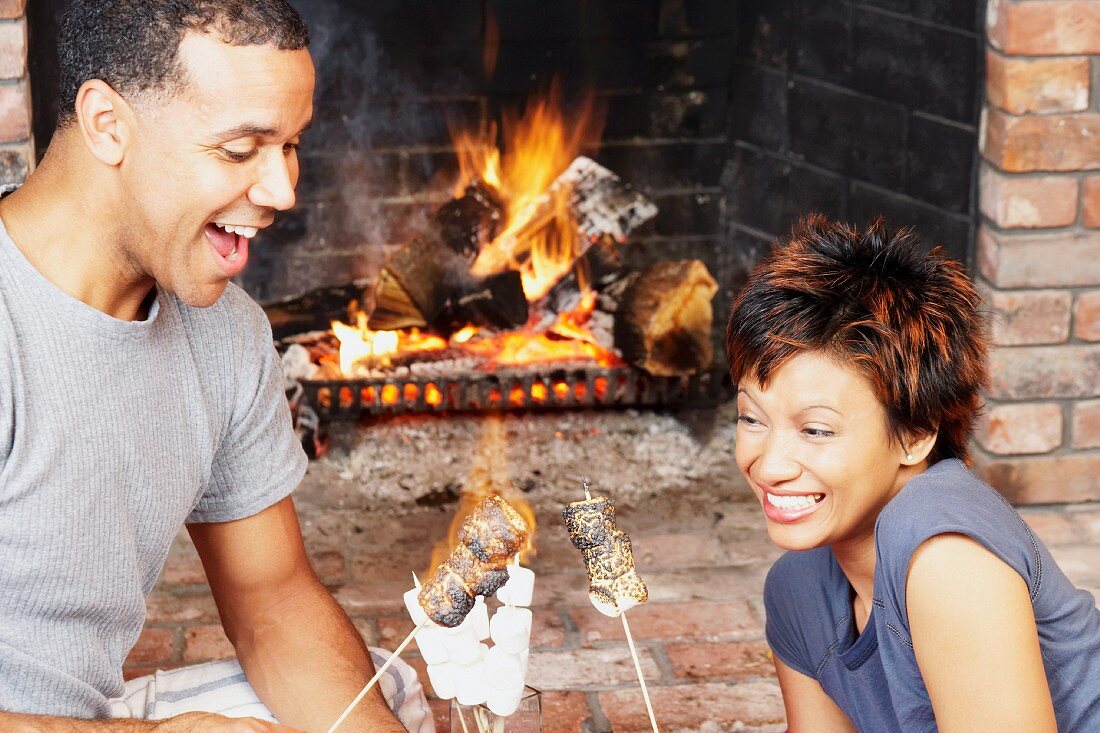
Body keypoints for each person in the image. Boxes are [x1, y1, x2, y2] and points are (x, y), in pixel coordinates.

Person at [0, 1, 430, 731]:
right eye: (241, 150)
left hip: (79, 716)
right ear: (108, 124)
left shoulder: (225, 335)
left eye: (290, 145)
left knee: (380, 699)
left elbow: (274, 601)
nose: (283, 191)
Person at [725, 215, 1100, 732]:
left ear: (914, 434)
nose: (769, 466)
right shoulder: (798, 590)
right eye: (751, 419)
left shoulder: (944, 551)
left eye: (816, 430)